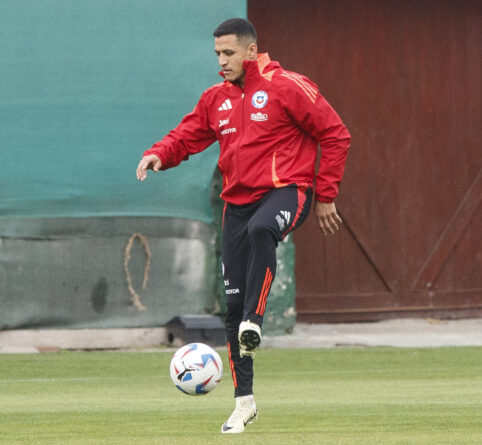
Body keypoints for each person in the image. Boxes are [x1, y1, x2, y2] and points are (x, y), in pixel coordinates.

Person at [136, 18, 350, 434]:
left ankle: (257, 319)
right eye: (217, 53)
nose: (221, 60)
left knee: (261, 233)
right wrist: (159, 155)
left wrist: (326, 195)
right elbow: (188, 135)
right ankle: (244, 402)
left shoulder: (287, 86)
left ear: (251, 51)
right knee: (231, 312)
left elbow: (336, 133)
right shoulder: (216, 99)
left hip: (287, 191)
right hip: (235, 206)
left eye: (229, 53)